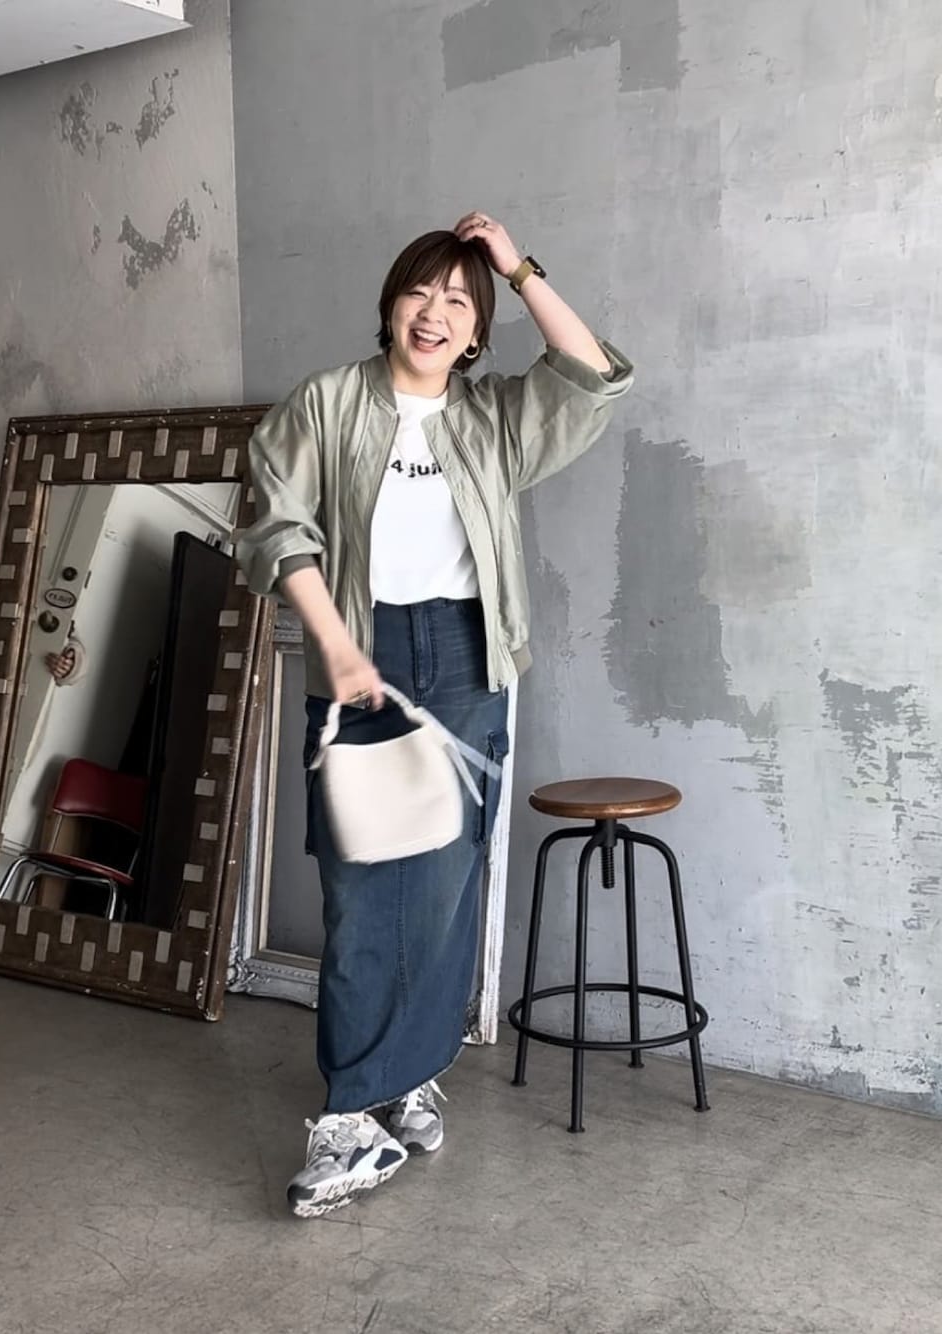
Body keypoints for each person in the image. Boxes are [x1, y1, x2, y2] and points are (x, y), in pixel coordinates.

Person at [237, 211, 634, 1219]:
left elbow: (594, 375)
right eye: (421, 290)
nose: (435, 311)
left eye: (460, 300)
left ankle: (405, 1078)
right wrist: (333, 643)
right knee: (361, 886)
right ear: (390, 303)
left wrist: (517, 265)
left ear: (477, 330)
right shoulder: (327, 403)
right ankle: (349, 1116)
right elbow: (276, 524)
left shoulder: (492, 417)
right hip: (359, 650)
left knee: (446, 885)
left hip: (467, 654)